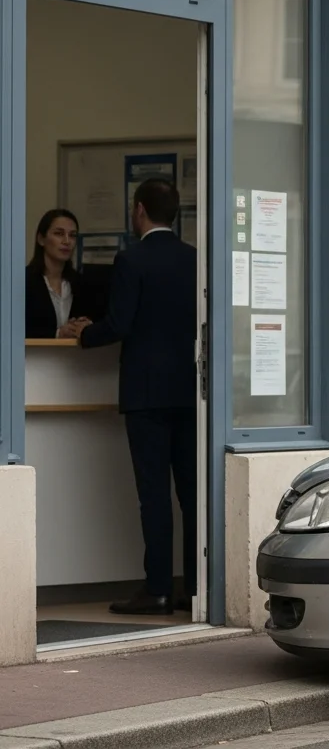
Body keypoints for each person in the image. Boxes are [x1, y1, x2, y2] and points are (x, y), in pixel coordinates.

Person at [79, 178, 197, 616]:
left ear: (140, 210)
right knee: (190, 493)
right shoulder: (194, 260)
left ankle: (159, 589)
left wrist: (84, 334)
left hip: (146, 394)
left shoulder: (130, 259)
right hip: (189, 392)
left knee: (154, 494)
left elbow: (120, 324)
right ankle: (195, 588)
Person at [25, 209, 93, 339]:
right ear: (41, 239)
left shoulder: (81, 284)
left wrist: (86, 326)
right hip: (33, 357)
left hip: (74, 358)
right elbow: (14, 329)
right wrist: (58, 333)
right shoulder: (24, 281)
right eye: (59, 234)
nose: (67, 241)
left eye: (72, 235)